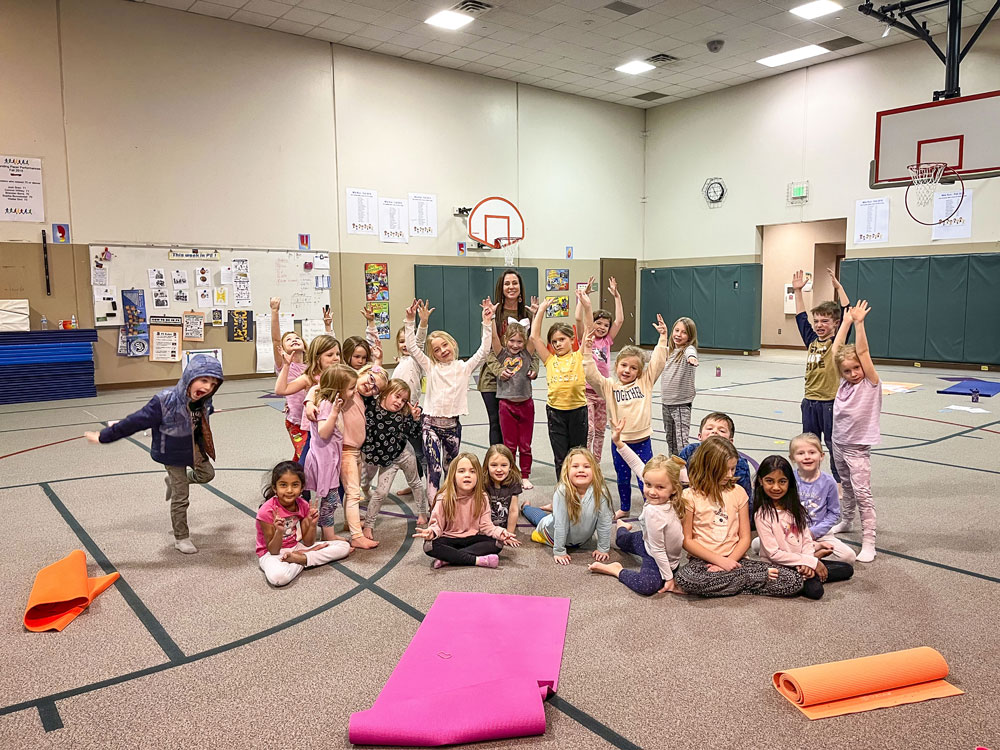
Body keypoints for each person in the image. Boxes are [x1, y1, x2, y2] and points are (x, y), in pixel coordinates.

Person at [84, 354, 223, 554]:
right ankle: (181, 537)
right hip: (173, 453)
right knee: (181, 496)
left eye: (213, 384)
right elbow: (135, 421)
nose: (208, 387)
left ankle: (174, 481)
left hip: (194, 448)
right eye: (204, 381)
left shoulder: (204, 400)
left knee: (207, 474)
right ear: (190, 377)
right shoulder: (164, 401)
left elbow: (197, 415)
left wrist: (210, 411)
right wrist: (104, 436)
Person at [673, 436, 802, 598]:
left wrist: (730, 562)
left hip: (737, 560)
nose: (729, 474)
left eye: (732, 469)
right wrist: (720, 562)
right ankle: (750, 580)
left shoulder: (738, 492)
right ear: (709, 466)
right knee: (687, 579)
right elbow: (687, 541)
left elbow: (745, 538)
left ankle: (731, 584)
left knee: (793, 580)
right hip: (702, 562)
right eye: (725, 469)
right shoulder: (689, 496)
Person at [580, 289, 669, 520]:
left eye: (632, 368)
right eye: (623, 366)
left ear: (639, 371)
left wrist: (662, 339)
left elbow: (658, 362)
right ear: (616, 366)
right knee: (622, 477)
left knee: (644, 477)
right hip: (620, 443)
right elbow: (591, 374)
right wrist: (587, 350)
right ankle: (625, 507)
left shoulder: (646, 382)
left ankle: (650, 506)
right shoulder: (610, 386)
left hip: (642, 441)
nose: (627, 371)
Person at [403, 297, 495, 504]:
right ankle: (435, 509)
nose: (442, 350)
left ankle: (450, 506)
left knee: (450, 469)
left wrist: (487, 323)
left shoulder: (464, 368)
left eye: (445, 345)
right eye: (436, 349)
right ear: (432, 355)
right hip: (431, 426)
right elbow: (412, 347)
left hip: (453, 427)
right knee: (434, 469)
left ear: (452, 344)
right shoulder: (431, 367)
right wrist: (412, 321)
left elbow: (484, 351)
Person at [589, 419, 686, 596]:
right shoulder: (653, 512)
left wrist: (619, 442)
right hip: (653, 552)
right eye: (647, 484)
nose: (651, 491)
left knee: (623, 542)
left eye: (660, 487)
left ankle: (622, 528)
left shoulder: (678, 496)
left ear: (674, 488)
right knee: (647, 586)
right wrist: (669, 577)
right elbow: (657, 550)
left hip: (655, 546)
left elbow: (637, 464)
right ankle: (616, 569)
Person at [753, 455, 854, 600]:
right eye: (770, 481)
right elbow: (773, 554)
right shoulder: (762, 515)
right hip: (779, 565)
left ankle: (809, 571)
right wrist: (810, 562)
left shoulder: (796, 508)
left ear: (789, 483)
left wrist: (808, 561)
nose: (776, 487)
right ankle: (810, 572)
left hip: (802, 560)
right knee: (815, 592)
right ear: (760, 481)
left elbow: (806, 539)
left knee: (847, 569)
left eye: (782, 481)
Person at [830, 300, 882, 563]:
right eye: (847, 370)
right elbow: (836, 350)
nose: (852, 373)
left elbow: (862, 351)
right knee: (847, 486)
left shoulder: (870, 382)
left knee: (863, 493)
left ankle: (869, 540)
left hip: (857, 447)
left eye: (856, 368)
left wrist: (859, 324)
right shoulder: (843, 382)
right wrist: (845, 322)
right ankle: (847, 520)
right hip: (837, 442)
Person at [792, 266, 851, 482]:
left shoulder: (837, 342)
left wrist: (839, 288)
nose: (819, 325)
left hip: (830, 403)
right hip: (810, 402)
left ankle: (839, 481)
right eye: (817, 321)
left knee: (833, 444)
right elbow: (800, 318)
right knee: (809, 444)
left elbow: (848, 314)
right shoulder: (811, 341)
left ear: (835, 324)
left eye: (824, 321)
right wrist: (798, 292)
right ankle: (810, 479)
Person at [412, 453, 520, 568]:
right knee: (429, 546)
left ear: (478, 476)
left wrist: (501, 533)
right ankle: (477, 560)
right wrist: (431, 532)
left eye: (472, 471)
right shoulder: (443, 498)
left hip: (472, 539)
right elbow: (437, 525)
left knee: (497, 543)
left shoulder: (482, 497)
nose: (467, 475)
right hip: (449, 539)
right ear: (453, 475)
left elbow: (486, 526)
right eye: (461, 471)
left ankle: (449, 558)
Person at [255, 461, 351, 587]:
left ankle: (299, 559)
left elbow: (308, 542)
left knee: (344, 547)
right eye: (283, 485)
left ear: (301, 488)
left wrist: (312, 524)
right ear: (275, 488)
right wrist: (279, 531)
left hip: (295, 547)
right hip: (270, 554)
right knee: (279, 578)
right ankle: (305, 559)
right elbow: (273, 550)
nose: (289, 490)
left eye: (295, 485)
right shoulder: (267, 511)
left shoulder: (303, 505)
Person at [529, 286, 589, 480]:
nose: (557, 344)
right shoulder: (550, 360)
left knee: (579, 455)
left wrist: (586, 305)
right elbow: (534, 337)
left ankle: (580, 490)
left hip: (578, 411)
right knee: (560, 457)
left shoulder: (580, 356)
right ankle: (563, 491)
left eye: (562, 339)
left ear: (572, 340)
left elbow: (589, 331)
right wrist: (540, 312)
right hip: (556, 413)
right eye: (554, 341)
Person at [522, 448, 614, 565]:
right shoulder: (562, 491)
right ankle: (526, 508)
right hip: (551, 534)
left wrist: (603, 548)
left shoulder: (601, 492)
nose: (581, 470)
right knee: (541, 519)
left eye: (586, 466)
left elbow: (604, 522)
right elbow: (560, 524)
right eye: (575, 466)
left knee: (552, 516)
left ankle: (553, 509)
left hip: (580, 541)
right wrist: (559, 551)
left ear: (595, 471)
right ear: (567, 471)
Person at [479, 270, 538, 447]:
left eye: (514, 283)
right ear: (501, 287)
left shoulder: (527, 314)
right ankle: (495, 465)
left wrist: (534, 367)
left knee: (513, 427)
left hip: (516, 379)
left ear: (520, 287)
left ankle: (509, 466)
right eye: (507, 283)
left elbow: (533, 347)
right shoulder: (494, 312)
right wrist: (499, 371)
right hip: (492, 378)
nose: (511, 287)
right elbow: (487, 347)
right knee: (496, 423)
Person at [360, 379, 427, 535]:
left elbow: (413, 433)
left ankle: (422, 513)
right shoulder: (371, 407)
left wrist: (416, 419)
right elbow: (369, 384)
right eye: (396, 396)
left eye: (403, 400)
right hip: (387, 460)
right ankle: (369, 525)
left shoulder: (403, 414)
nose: (399, 402)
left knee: (415, 482)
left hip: (405, 453)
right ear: (385, 392)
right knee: (381, 493)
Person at [782, 433, 856, 563]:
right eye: (800, 453)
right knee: (757, 544)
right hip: (793, 533)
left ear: (821, 456)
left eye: (812, 452)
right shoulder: (788, 480)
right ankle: (809, 556)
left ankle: (804, 557)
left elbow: (833, 513)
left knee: (849, 557)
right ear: (792, 458)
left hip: (821, 535)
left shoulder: (829, 482)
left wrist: (813, 532)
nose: (807, 457)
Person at [301, 364, 353, 541]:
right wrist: (334, 413)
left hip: (328, 459)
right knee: (330, 500)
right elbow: (323, 432)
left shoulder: (327, 402)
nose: (354, 392)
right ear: (338, 389)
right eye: (351, 388)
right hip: (323, 461)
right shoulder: (326, 405)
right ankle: (328, 535)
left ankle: (326, 533)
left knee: (328, 499)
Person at [275, 334, 341, 472]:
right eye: (330, 355)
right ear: (317, 358)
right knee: (305, 465)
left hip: (337, 428)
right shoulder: (309, 377)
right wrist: (286, 366)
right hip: (315, 430)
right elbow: (281, 390)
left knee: (337, 467)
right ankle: (301, 491)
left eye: (337, 354)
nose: (336, 358)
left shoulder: (341, 374)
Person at [390, 299, 432, 492]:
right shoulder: (402, 362)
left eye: (407, 341)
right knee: (403, 452)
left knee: (419, 452)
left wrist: (418, 322)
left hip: (412, 414)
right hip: (398, 413)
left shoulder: (416, 359)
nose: (405, 344)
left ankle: (430, 482)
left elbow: (419, 340)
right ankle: (414, 483)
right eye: (401, 342)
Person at [492, 322, 536, 489]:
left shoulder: (526, 354)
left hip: (526, 404)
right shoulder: (501, 355)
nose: (515, 345)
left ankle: (525, 475)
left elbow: (534, 336)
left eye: (519, 342)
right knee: (509, 445)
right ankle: (512, 473)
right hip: (506, 405)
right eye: (512, 341)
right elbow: (494, 337)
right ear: (505, 340)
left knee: (525, 444)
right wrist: (490, 318)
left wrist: (537, 313)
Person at [585, 277, 624, 461]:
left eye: (605, 325)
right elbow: (582, 319)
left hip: (603, 391)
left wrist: (617, 296)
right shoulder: (587, 339)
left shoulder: (607, 340)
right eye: (598, 323)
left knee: (600, 430)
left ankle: (596, 461)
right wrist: (585, 297)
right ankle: (585, 460)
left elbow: (620, 321)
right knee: (590, 430)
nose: (602, 327)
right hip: (586, 391)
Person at [677, 412, 752, 505]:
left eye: (722, 431)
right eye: (709, 428)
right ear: (699, 436)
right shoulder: (689, 451)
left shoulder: (738, 463)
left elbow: (746, 499)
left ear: (730, 441)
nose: (715, 431)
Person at [659, 316, 699, 457]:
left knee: (682, 441)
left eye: (683, 332)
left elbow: (691, 352)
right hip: (666, 403)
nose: (678, 334)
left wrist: (691, 358)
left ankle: (686, 471)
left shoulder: (688, 350)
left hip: (681, 404)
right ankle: (674, 467)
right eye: (676, 330)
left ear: (690, 336)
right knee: (671, 440)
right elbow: (653, 357)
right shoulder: (668, 351)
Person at [483, 444, 522, 536]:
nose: (499, 469)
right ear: (487, 466)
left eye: (504, 465)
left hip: (504, 524)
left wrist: (509, 534)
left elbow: (513, 510)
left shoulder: (514, 482)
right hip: (487, 526)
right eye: (494, 465)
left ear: (510, 466)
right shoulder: (482, 482)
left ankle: (526, 507)